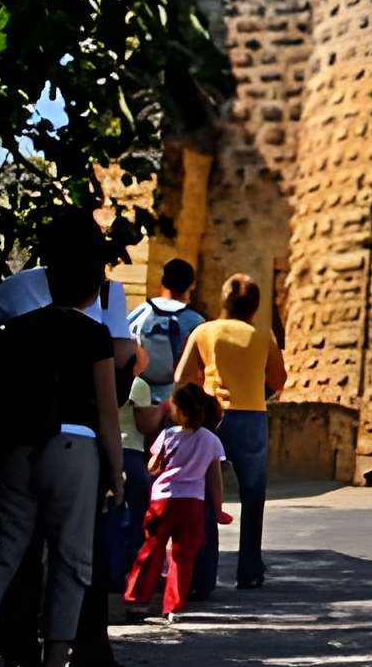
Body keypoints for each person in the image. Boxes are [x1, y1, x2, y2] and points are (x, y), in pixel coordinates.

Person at [0, 214, 122, 667]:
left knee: (2, 552)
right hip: (74, 447)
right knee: (70, 560)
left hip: (17, 448)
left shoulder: (16, 333)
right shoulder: (92, 335)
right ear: (91, 287)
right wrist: (118, 473)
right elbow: (107, 412)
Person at [173, 274, 285, 591]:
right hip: (251, 417)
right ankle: (249, 569)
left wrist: (205, 387)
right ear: (255, 306)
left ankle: (202, 572)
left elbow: (182, 375)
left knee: (204, 492)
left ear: (223, 301)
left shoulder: (204, 331)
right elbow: (279, 380)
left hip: (211, 416)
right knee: (253, 495)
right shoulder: (263, 336)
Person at [119, 263, 206, 619]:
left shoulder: (140, 313)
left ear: (161, 282)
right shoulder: (196, 321)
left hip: (141, 406)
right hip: (179, 405)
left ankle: (136, 572)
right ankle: (186, 583)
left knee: (144, 490)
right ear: (191, 285)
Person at [123, 384, 230, 621]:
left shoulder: (167, 435)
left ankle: (137, 601)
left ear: (180, 412)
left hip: (163, 499)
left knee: (151, 549)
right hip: (192, 502)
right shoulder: (211, 440)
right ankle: (173, 606)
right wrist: (218, 507)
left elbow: (152, 466)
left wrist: (157, 468)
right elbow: (214, 479)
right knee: (183, 556)